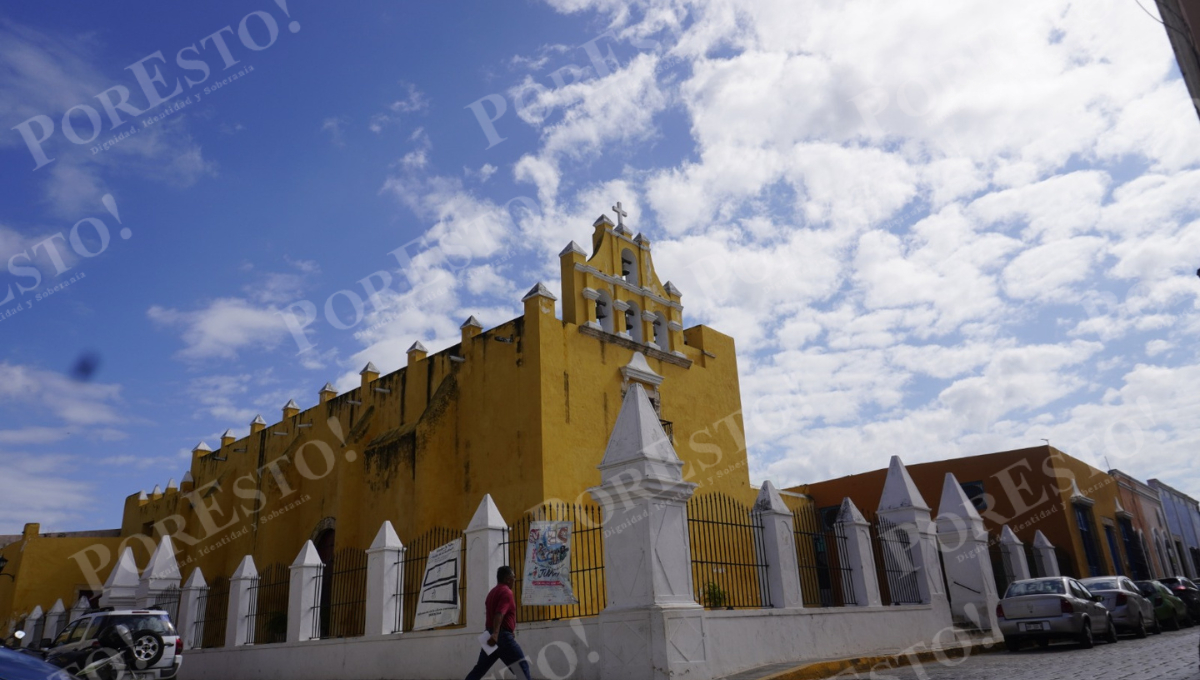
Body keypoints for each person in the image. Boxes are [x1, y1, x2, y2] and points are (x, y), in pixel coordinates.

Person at [464, 565, 531, 680]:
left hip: (490, 636)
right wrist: (496, 633)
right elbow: (499, 614)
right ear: (507, 579)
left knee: (479, 669)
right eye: (513, 577)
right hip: (501, 636)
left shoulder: (491, 593)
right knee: (522, 666)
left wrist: (494, 633)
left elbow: (491, 616)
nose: (514, 580)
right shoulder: (507, 592)